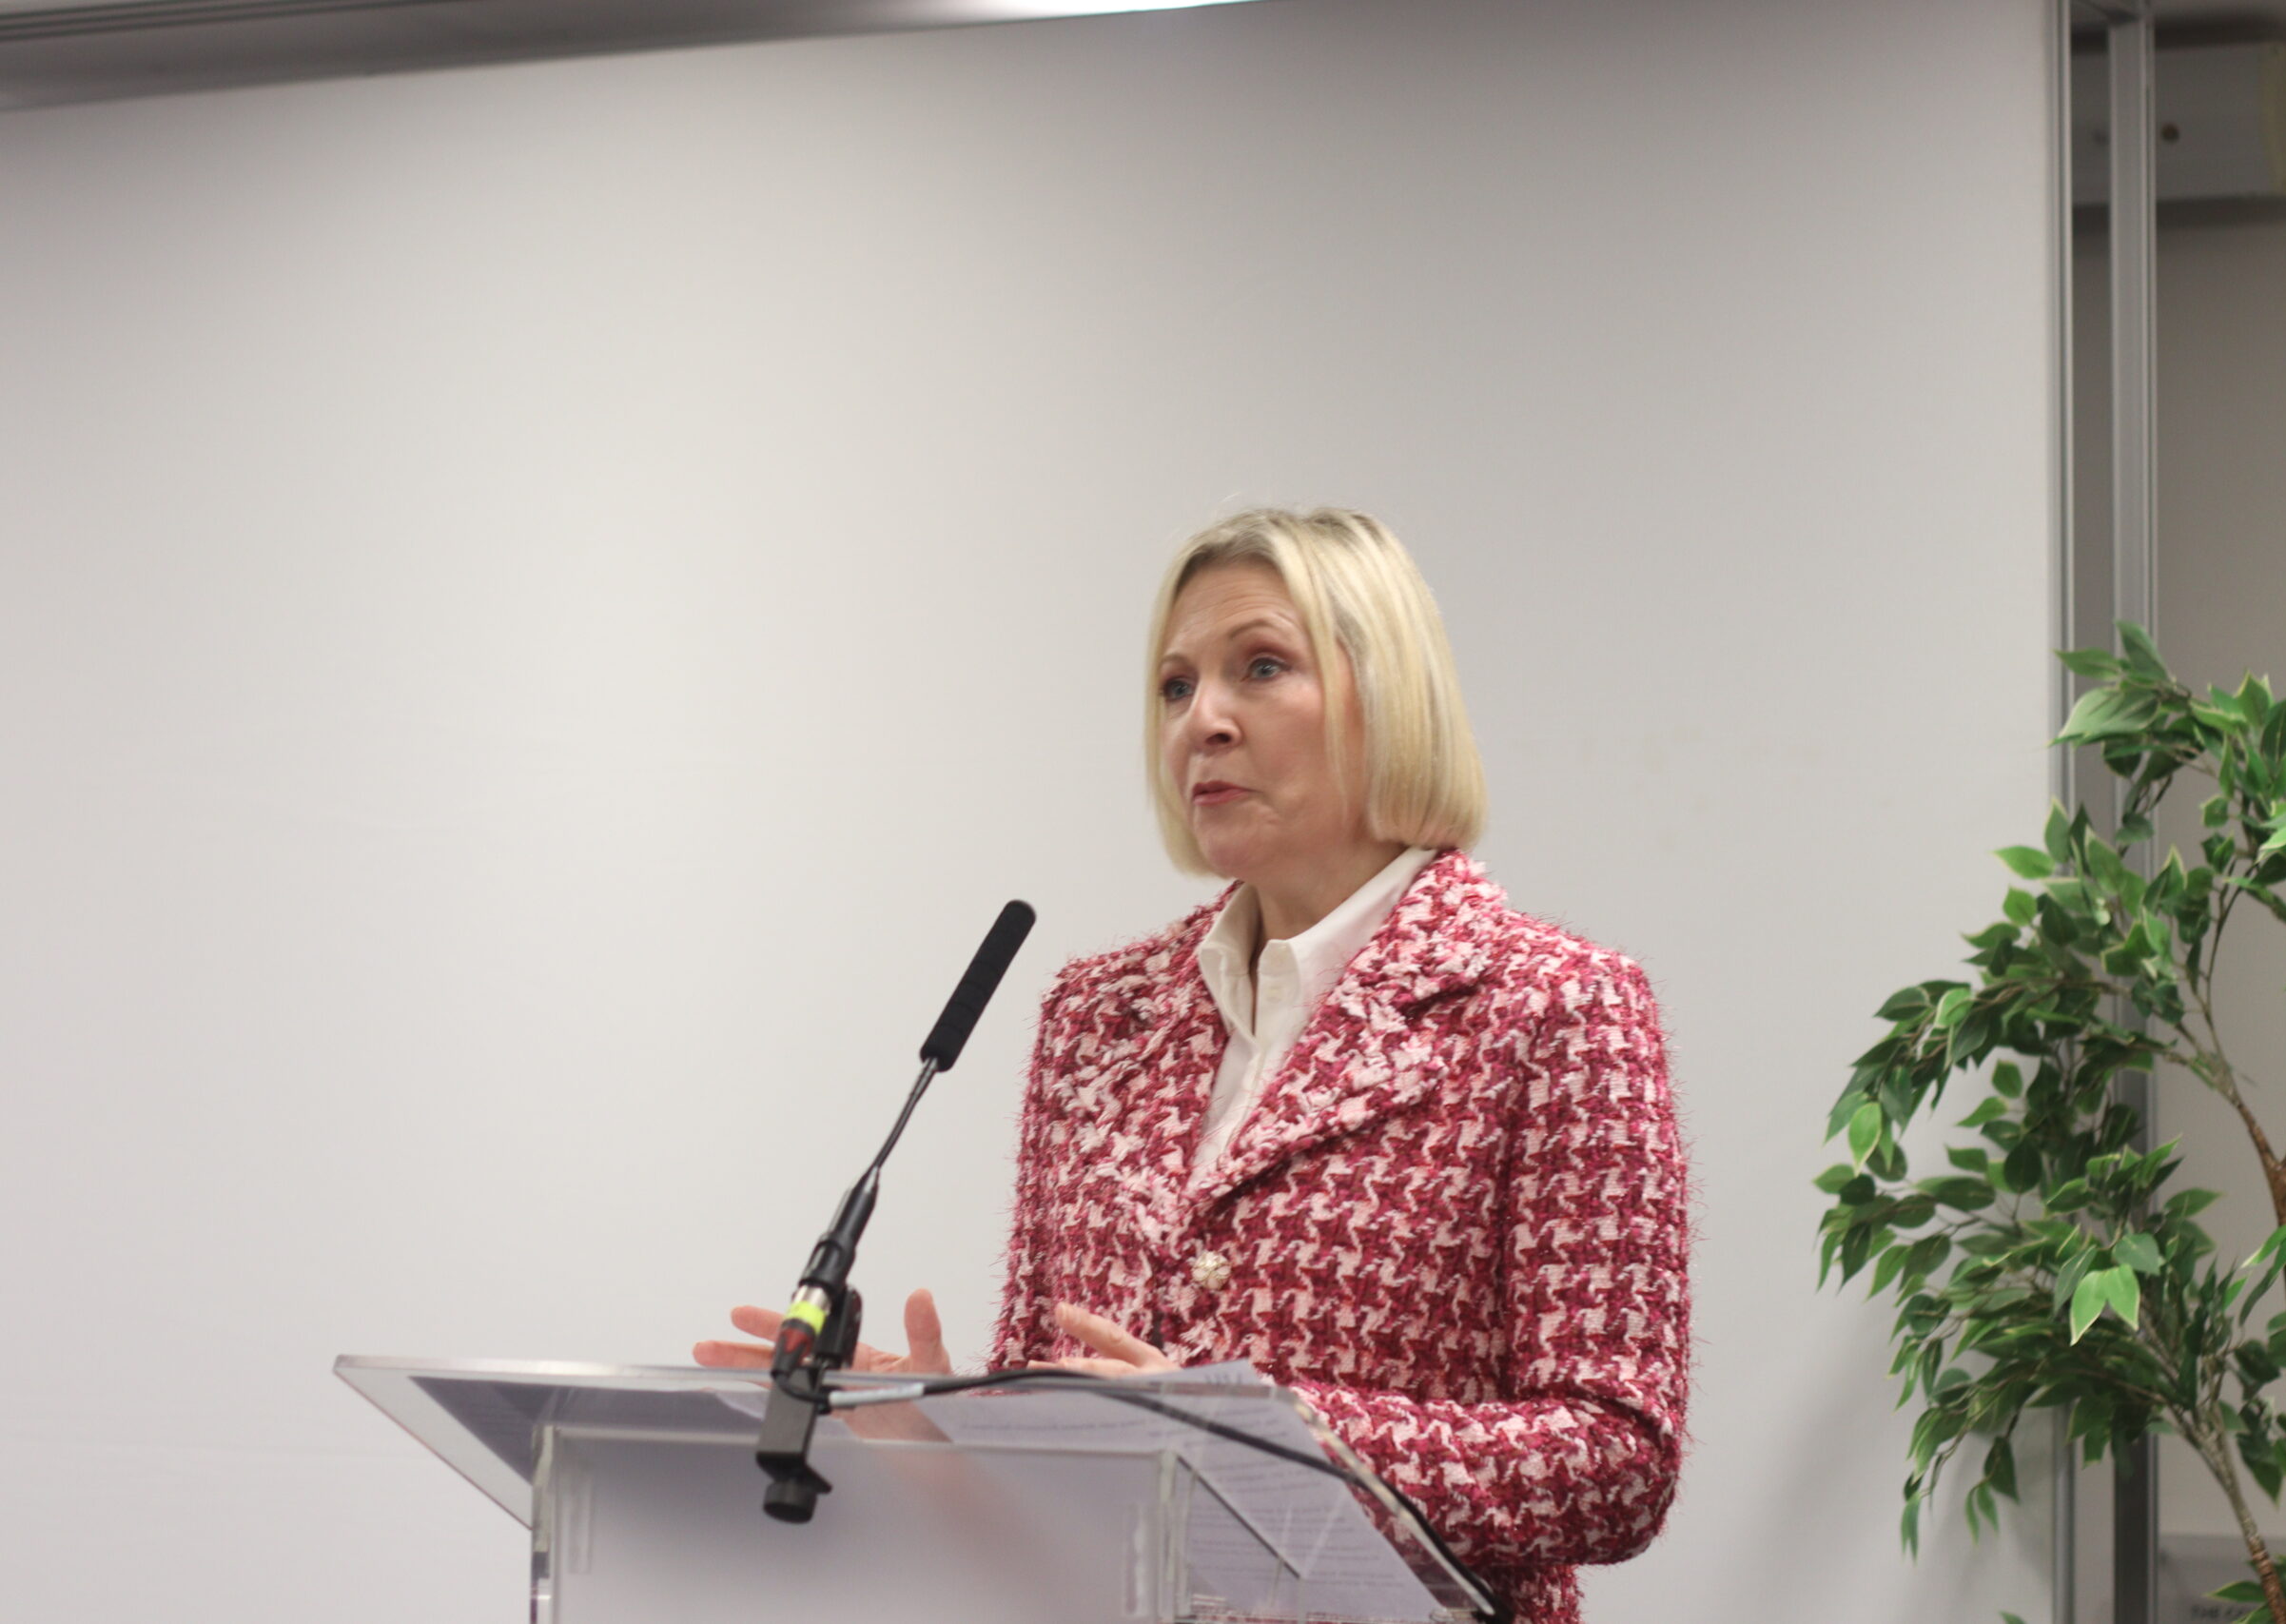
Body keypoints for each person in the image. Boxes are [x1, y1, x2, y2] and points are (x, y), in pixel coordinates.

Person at [698, 508, 1688, 1624]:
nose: (1200, 722)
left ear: (1388, 697)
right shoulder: (1097, 1015)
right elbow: (1065, 1406)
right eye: (1175, 687)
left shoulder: (1554, 1006)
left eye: (1260, 667)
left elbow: (1618, 1459)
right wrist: (949, 1443)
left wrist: (1256, 1437)